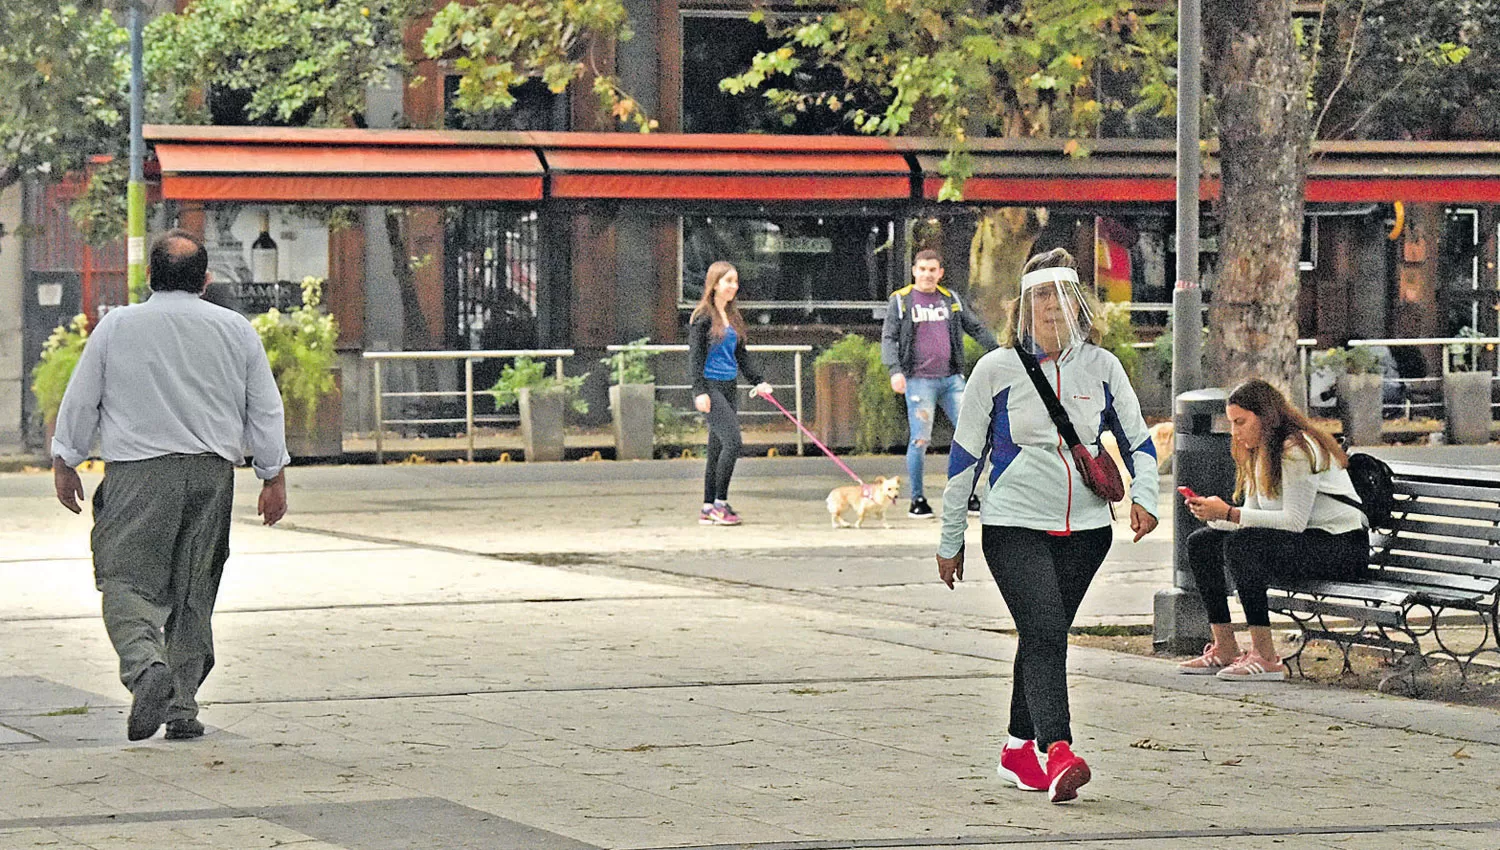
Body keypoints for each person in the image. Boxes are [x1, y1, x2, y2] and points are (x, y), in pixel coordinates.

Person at [935, 248, 1160, 803]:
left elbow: (1138, 441)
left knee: (1045, 632)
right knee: (1044, 630)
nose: (1051, 310)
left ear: (1076, 304)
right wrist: (950, 537)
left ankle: (1016, 748)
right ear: (1024, 306)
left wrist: (1147, 498)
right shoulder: (996, 370)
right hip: (1013, 524)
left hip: (1087, 532)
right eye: (1040, 298)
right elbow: (963, 458)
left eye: (1059, 299)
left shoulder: (1103, 368)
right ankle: (1058, 750)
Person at [51, 230, 290, 742]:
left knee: (125, 580)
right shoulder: (235, 329)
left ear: (148, 278)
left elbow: (82, 396)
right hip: (211, 475)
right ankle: (181, 707)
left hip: (139, 473)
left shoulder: (118, 326)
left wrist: (65, 458)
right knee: (193, 587)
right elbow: (265, 407)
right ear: (205, 279)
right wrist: (272, 475)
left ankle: (145, 668)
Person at [1178, 379, 1368, 681]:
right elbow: (1254, 516)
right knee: (1202, 543)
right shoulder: (1258, 450)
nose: (1235, 432)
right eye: (1232, 423)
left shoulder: (1296, 449)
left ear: (1264, 417)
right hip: (1305, 541)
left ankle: (1266, 657)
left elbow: (1294, 522)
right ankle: (1225, 646)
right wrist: (1215, 516)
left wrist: (1230, 513)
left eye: (1241, 422)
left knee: (1243, 546)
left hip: (1342, 547)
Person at [881, 249, 1000, 518]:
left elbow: (976, 328)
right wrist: (894, 371)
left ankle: (966, 494)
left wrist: (1001, 352)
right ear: (914, 271)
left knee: (973, 436)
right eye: (922, 269)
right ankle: (917, 500)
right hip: (918, 381)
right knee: (920, 439)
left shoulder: (950, 299)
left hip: (951, 379)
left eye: (932, 270)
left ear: (940, 273)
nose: (927, 274)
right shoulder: (901, 300)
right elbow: (888, 337)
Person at [688, 261, 772, 526]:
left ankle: (707, 506)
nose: (734, 287)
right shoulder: (702, 317)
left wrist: (758, 381)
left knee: (716, 449)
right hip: (711, 387)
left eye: (735, 281)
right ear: (714, 284)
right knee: (733, 442)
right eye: (728, 281)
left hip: (729, 385)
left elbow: (741, 355)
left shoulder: (733, 316)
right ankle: (720, 504)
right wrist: (699, 391)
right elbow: (695, 359)